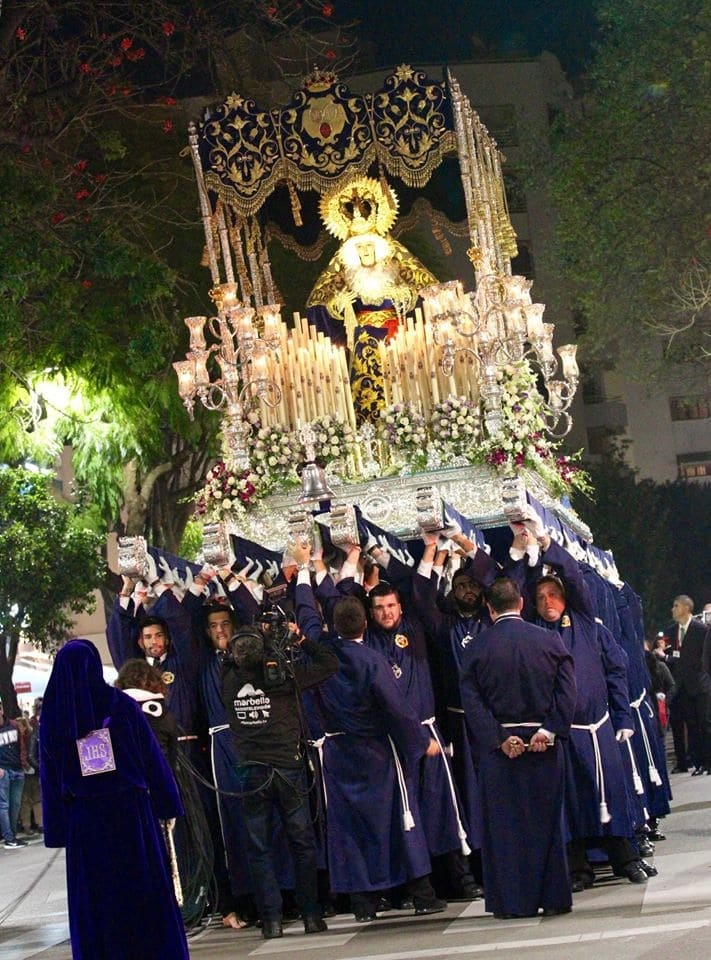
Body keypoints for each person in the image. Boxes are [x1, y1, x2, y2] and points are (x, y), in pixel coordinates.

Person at [40, 639, 189, 960]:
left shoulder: (53, 718)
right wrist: (168, 803)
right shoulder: (121, 705)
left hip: (85, 822)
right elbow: (152, 760)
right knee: (142, 892)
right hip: (131, 816)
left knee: (97, 900)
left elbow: (50, 781)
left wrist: (57, 830)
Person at [310, 595, 446, 922]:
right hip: (376, 753)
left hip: (339, 753)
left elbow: (307, 620)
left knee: (349, 828)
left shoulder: (320, 659)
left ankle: (363, 904)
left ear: (333, 625)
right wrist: (421, 741)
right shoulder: (372, 660)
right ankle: (422, 894)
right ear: (365, 623)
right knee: (401, 818)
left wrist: (302, 579)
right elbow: (396, 708)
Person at [460, 578, 576, 918]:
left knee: (506, 829)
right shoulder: (550, 640)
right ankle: (553, 897)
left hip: (501, 752)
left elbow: (472, 702)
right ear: (521, 603)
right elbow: (567, 693)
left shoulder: (476, 648)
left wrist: (498, 738)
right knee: (547, 824)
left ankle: (513, 903)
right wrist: (549, 730)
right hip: (545, 749)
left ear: (489, 609)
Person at [221, 612, 339, 939]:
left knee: (259, 849)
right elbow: (329, 664)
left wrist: (259, 641)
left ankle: (271, 921)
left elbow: (229, 658)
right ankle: (311, 915)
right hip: (288, 769)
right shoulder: (283, 678)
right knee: (301, 843)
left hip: (252, 774)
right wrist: (298, 640)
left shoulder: (227, 680)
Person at [664, 595, 711, 775]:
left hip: (699, 685)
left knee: (705, 724)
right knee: (691, 726)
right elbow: (669, 654)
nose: (672, 609)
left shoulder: (701, 630)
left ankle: (708, 761)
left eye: (676, 606)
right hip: (681, 687)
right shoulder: (670, 631)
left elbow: (702, 658)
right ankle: (698, 763)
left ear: (686, 608)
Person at [0, 699, 28, 848]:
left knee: (15, 805)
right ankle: (9, 838)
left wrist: (23, 763)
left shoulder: (14, 725)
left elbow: (22, 745)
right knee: (4, 805)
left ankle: (12, 836)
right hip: (3, 771)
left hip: (17, 769)